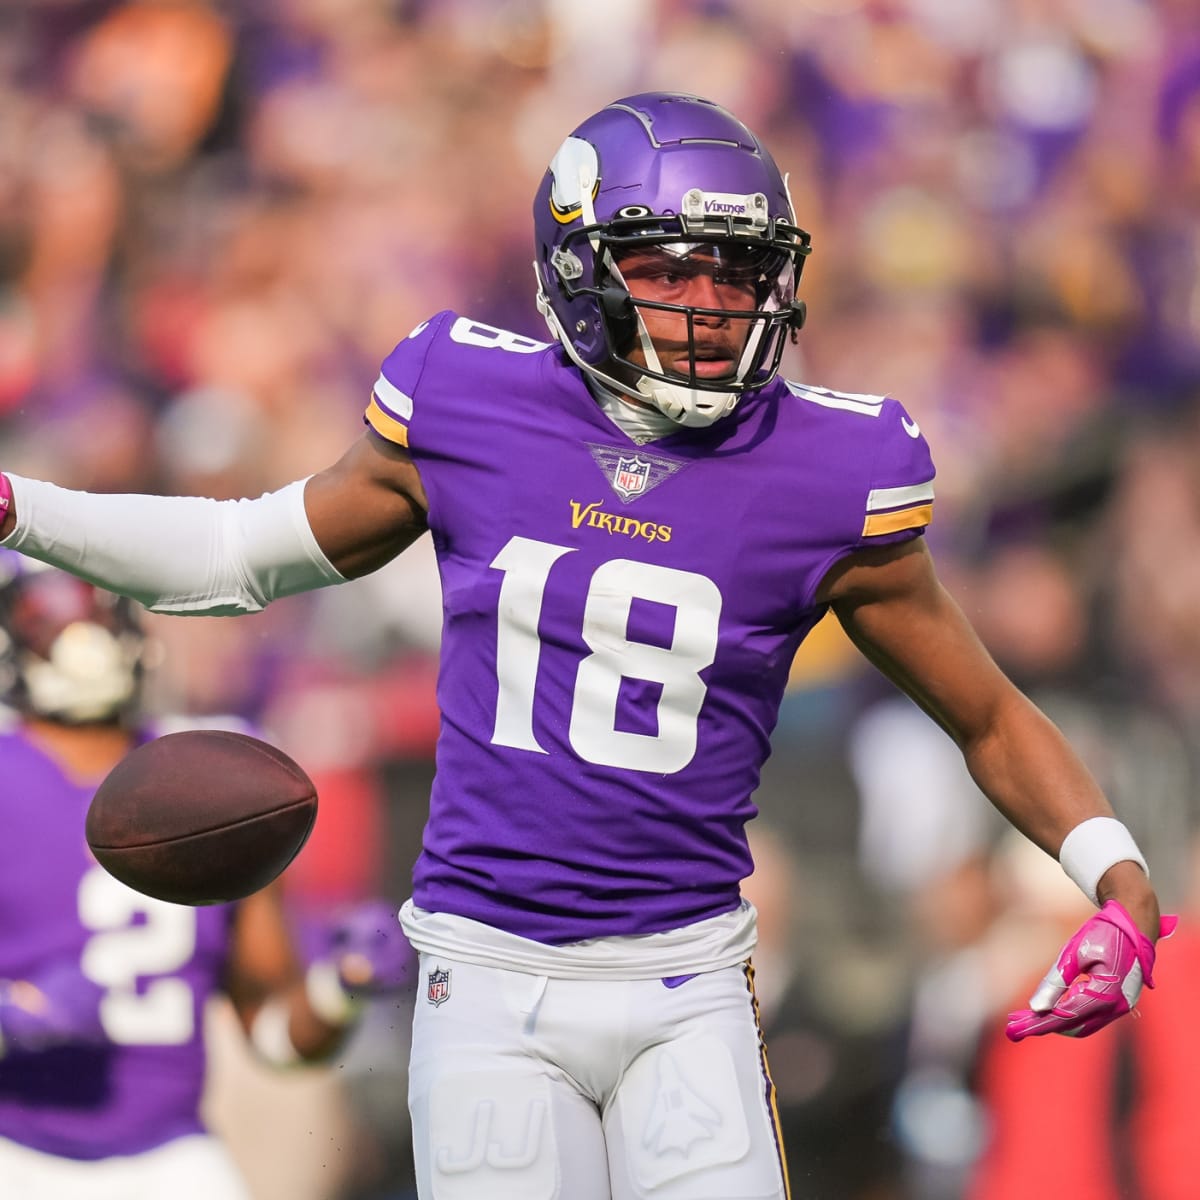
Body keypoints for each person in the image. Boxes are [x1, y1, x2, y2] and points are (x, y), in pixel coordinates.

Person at [0, 92, 1172, 1198]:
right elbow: (237, 555)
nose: (714, 306)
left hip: (689, 982)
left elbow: (986, 713)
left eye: (741, 272)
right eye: (672, 271)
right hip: (487, 976)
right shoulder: (466, 401)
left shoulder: (833, 470)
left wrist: (1116, 885)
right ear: (579, 268)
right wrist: (23, 510)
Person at [0, 552, 411, 1199]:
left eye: (95, 607)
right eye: (49, 613)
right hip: (15, 1148)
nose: (80, 631)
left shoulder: (216, 775)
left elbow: (276, 1039)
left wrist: (342, 985)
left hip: (172, 1156)